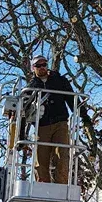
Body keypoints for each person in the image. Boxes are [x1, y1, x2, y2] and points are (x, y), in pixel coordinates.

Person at [27, 55, 84, 185]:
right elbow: (25, 110)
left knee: (62, 155)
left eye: (44, 64)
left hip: (60, 122)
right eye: (38, 66)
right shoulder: (31, 86)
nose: (42, 68)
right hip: (41, 126)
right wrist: (21, 135)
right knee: (40, 159)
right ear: (33, 68)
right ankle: (42, 187)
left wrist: (85, 118)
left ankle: (62, 186)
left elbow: (72, 100)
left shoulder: (59, 80)